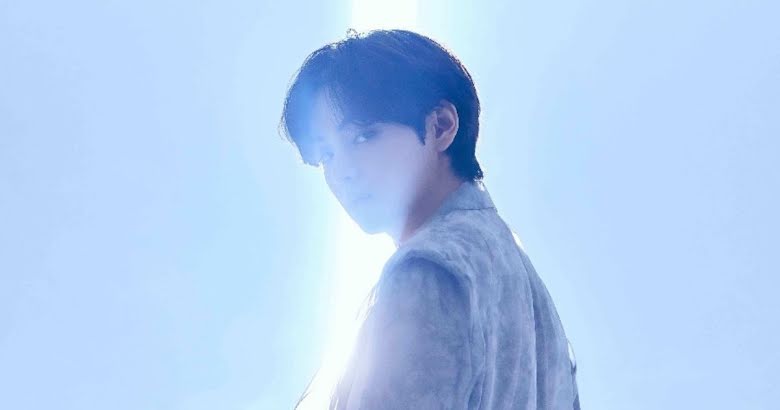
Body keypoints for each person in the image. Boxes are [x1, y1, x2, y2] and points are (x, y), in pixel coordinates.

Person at [280, 28, 580, 410]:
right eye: (326, 155)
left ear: (441, 126)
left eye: (363, 136)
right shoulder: (538, 305)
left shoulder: (427, 269)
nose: (342, 172)